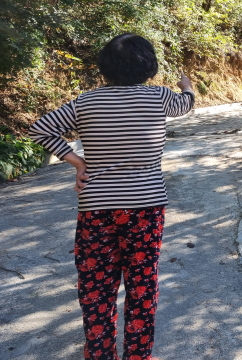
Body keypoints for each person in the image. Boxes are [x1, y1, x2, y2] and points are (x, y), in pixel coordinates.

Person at [28, 33, 195, 360]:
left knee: (96, 290)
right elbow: (186, 104)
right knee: (142, 287)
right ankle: (138, 355)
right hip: (146, 209)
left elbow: (40, 129)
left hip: (96, 210)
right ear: (149, 67)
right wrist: (186, 85)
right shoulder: (160, 97)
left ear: (105, 68)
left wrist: (77, 162)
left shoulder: (85, 102)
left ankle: (100, 354)